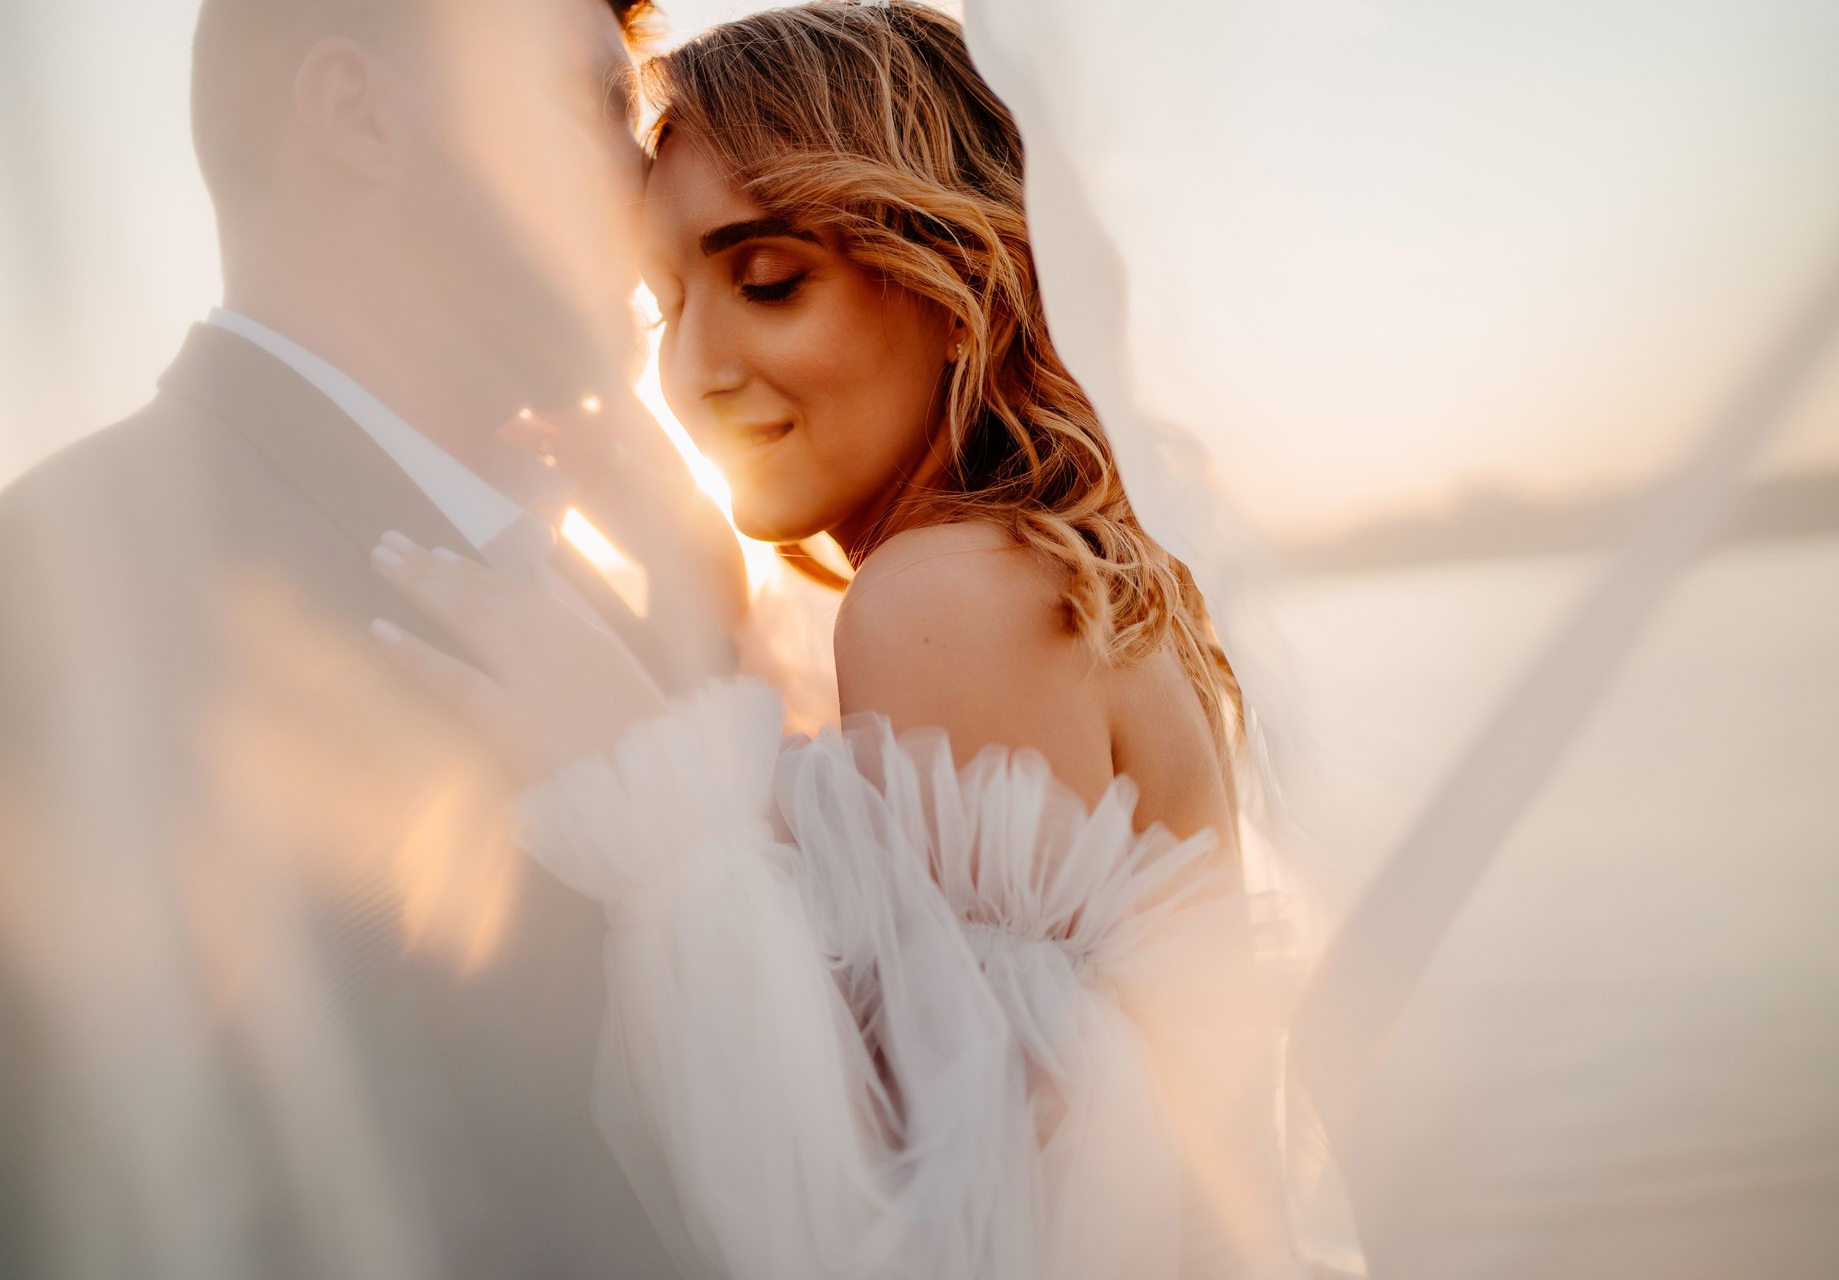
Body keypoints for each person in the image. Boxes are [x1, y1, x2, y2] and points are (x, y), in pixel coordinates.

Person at [372, 4, 1303, 1276]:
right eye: (664, 306)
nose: (692, 371)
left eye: (766, 281)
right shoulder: (1048, 573)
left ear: (954, 277)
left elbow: (965, 1228)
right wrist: (708, 617)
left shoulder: (944, 597)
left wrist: (653, 811)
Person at [0, 0, 741, 1275]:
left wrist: (703, 647)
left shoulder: (607, 584)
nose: (649, 182)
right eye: (593, 109)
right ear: (358, 111)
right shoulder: (39, 610)